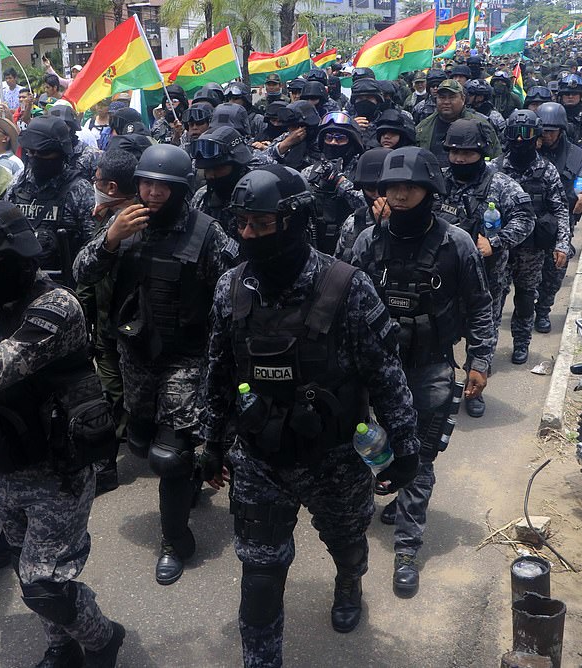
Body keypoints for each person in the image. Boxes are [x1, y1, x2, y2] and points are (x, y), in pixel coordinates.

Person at [199, 165, 420, 666]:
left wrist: (406, 450)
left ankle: (349, 583)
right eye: (241, 223)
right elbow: (216, 371)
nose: (248, 235)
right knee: (259, 573)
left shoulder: (347, 287)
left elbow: (386, 374)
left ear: (295, 222)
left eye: (261, 223)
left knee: (347, 544)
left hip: (336, 459)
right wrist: (209, 443)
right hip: (259, 458)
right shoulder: (231, 289)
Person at [0, 200, 125, 668]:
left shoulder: (56, 305)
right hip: (6, 463)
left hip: (57, 470)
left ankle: (102, 639)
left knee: (44, 585)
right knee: (29, 567)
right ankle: (61, 647)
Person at [74, 144, 233, 585]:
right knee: (141, 443)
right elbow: (81, 273)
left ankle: (174, 540)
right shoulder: (123, 222)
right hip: (135, 354)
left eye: (163, 185)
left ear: (181, 188)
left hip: (186, 357)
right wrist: (110, 239)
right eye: (146, 183)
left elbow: (237, 286)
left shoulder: (206, 233)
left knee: (169, 457)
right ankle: (187, 478)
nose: (152, 192)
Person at [348, 147, 494, 597]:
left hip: (430, 366)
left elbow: (479, 304)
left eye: (411, 186)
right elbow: (341, 301)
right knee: (364, 448)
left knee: (421, 458)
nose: (401, 194)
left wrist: (481, 359)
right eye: (393, 186)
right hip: (375, 367)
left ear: (430, 190)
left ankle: (408, 548)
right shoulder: (367, 242)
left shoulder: (457, 244)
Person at [439, 119, 535, 417]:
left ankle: (474, 389)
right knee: (438, 335)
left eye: (466, 153)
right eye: (454, 152)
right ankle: (439, 388)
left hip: (487, 279)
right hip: (442, 277)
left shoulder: (501, 184)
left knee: (482, 337)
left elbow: (525, 219)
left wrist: (495, 240)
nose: (459, 159)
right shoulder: (439, 180)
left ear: (480, 152)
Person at [84, 150, 140, 494]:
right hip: (108, 329)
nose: (95, 187)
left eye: (98, 182)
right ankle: (104, 466)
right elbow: (88, 276)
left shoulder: (136, 223)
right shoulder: (107, 218)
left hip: (136, 333)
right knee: (108, 395)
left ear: (113, 186)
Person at [497, 110, 571, 365]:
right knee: (493, 301)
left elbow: (560, 209)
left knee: (526, 298)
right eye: (515, 134)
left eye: (526, 134)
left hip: (532, 250)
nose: (520, 140)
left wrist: (562, 243)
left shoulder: (546, 171)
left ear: (536, 137)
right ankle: (485, 351)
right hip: (501, 248)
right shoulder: (496, 168)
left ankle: (521, 343)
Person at [6, 116, 96, 287]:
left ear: (61, 153)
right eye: (31, 152)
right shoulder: (18, 183)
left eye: (44, 153)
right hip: (21, 283)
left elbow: (91, 247)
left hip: (65, 286)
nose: (36, 158)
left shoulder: (79, 190)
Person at [536, 102, 582, 334]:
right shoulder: (528, 150)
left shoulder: (575, 154)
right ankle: (525, 312)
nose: (547, 135)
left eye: (552, 131)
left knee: (555, 269)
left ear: (561, 130)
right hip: (531, 216)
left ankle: (543, 311)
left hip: (561, 218)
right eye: (543, 130)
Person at [304, 112, 366, 255]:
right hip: (316, 247)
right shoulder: (310, 172)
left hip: (350, 248)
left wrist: (341, 182)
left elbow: (370, 206)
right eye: (329, 137)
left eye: (340, 139)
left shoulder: (362, 172)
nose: (333, 143)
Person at [417, 79, 501, 169]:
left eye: (452, 97)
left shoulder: (481, 125)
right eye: (442, 97)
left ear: (463, 99)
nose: (446, 102)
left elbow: (495, 158)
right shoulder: (423, 127)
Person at [333, 146, 390, 262]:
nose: (377, 195)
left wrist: (389, 224)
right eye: (370, 189)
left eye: (383, 189)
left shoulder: (418, 223)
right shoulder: (353, 223)